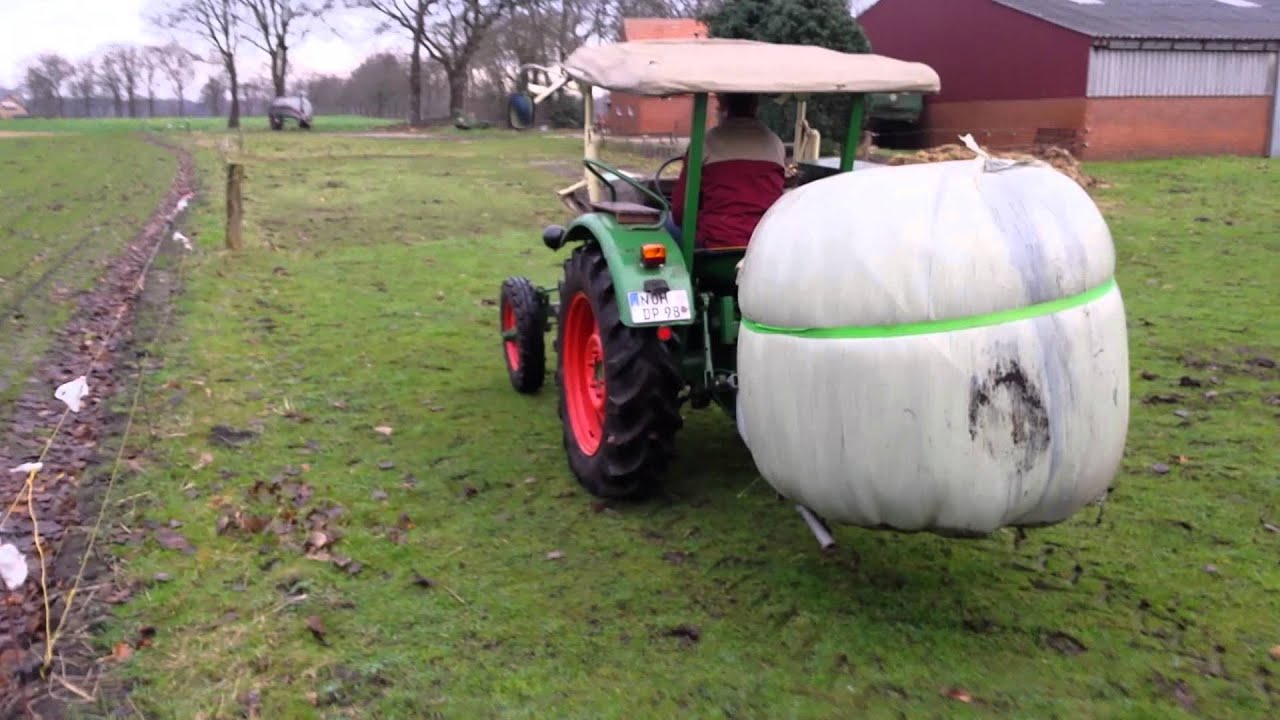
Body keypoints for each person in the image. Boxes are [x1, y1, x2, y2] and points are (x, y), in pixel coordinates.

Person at [666, 93, 786, 250]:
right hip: (763, 248)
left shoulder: (705, 143)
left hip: (715, 246)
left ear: (723, 105)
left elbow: (680, 212)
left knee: (666, 223)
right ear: (756, 106)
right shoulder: (775, 143)